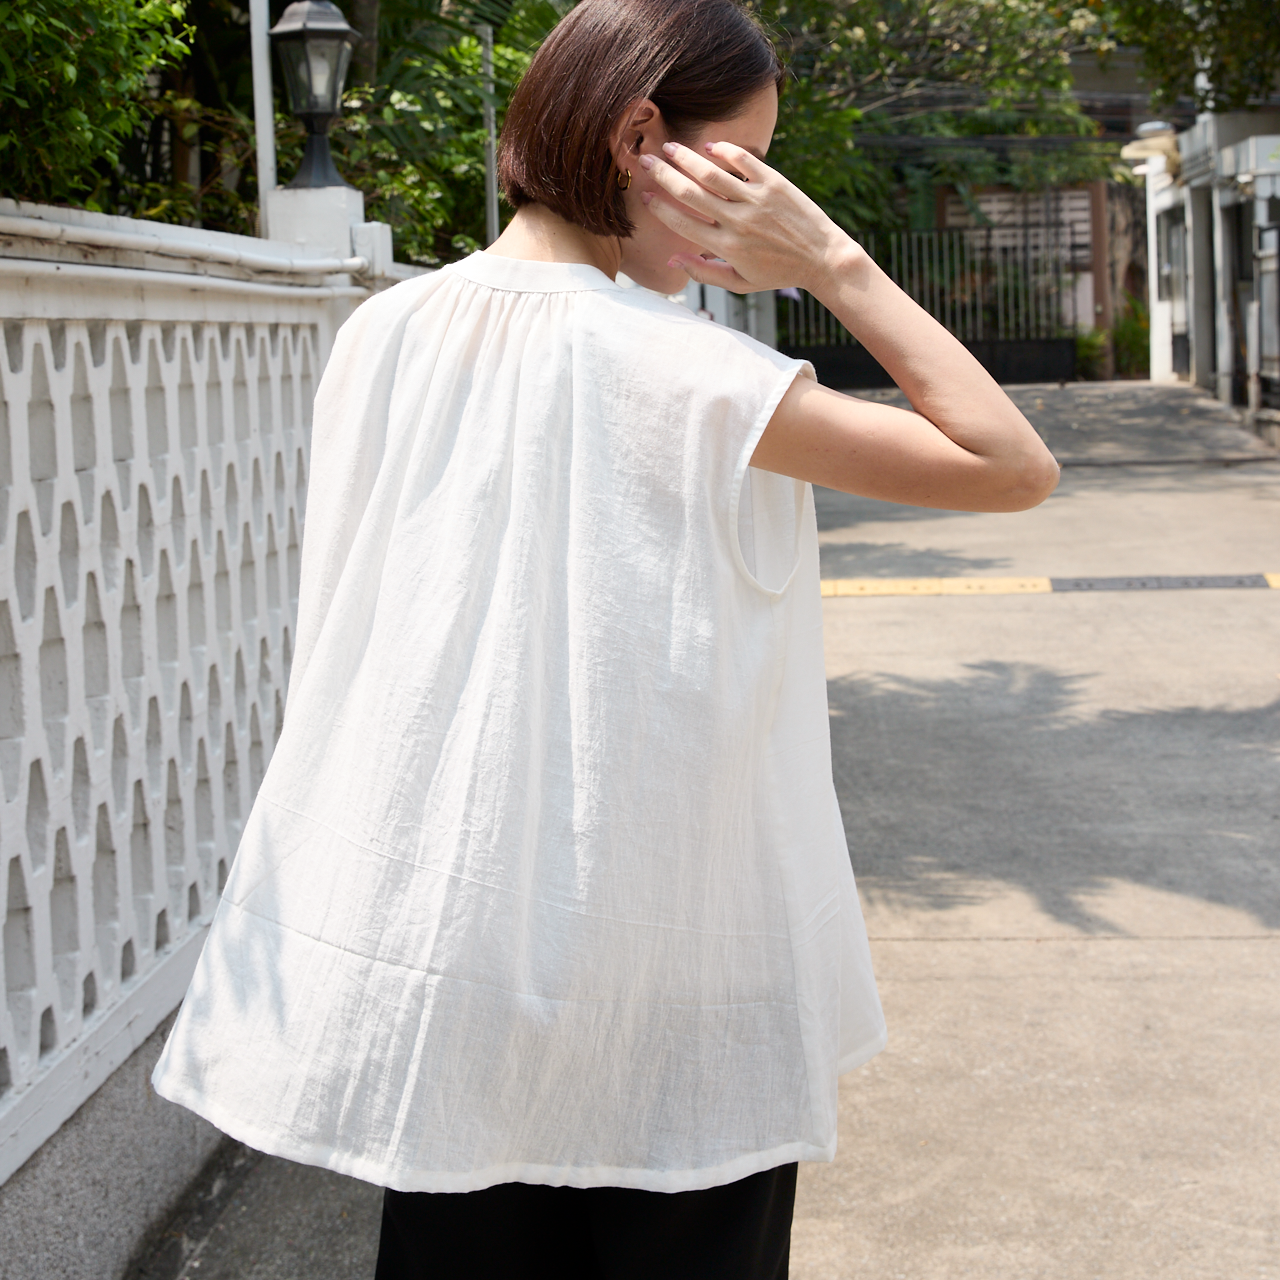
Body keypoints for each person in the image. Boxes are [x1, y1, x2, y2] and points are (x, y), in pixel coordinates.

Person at [151, 0, 1060, 1275]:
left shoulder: (383, 333)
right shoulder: (693, 373)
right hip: (675, 969)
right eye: (748, 171)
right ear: (641, 140)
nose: (756, 210)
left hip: (453, 962)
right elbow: (1009, 465)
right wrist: (831, 260)